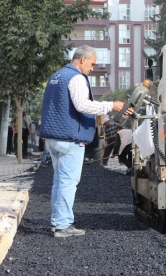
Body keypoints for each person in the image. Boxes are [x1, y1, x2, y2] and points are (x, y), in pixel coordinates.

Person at [41, 45, 131, 238]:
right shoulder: (77, 78)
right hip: (69, 138)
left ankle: (57, 221)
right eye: (92, 63)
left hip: (53, 137)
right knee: (68, 182)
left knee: (59, 181)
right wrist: (111, 105)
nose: (92, 68)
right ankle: (63, 225)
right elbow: (81, 104)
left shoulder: (56, 77)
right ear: (83, 60)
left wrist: (105, 115)